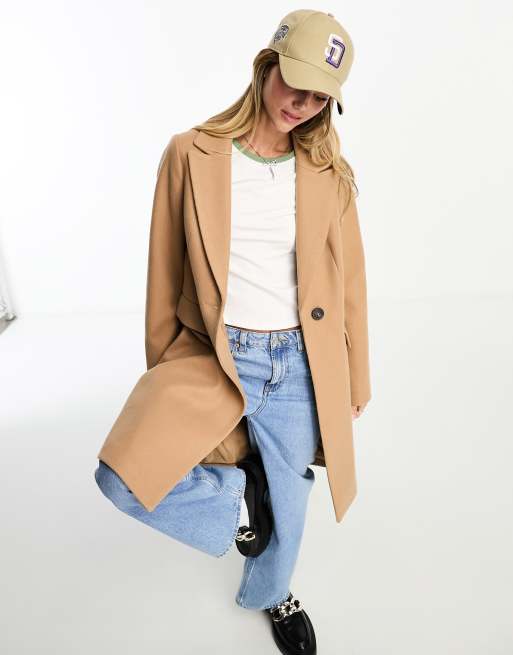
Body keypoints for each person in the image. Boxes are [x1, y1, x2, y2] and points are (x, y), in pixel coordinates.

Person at [95, 9, 371, 655]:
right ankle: (238, 496)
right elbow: (164, 268)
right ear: (265, 66)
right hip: (216, 353)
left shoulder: (328, 172)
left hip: (300, 362)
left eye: (320, 98)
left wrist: (354, 378)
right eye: (295, 85)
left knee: (291, 504)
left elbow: (350, 282)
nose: (302, 106)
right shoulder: (190, 153)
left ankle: (272, 591)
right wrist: (163, 364)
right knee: (124, 477)